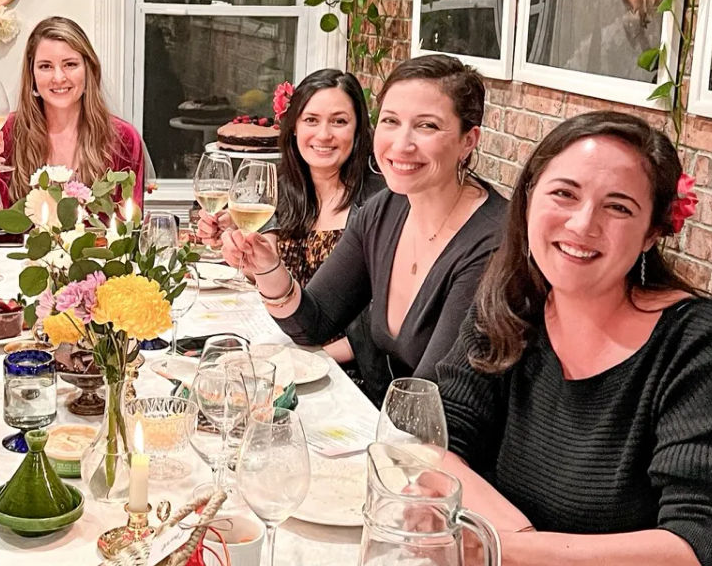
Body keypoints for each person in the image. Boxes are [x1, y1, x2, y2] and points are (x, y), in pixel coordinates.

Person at [435, 111, 712, 566]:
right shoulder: (514, 304)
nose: (583, 225)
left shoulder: (707, 344)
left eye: (618, 207)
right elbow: (429, 444)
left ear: (653, 233)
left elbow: (692, 558)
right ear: (528, 199)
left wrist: (501, 554)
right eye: (564, 194)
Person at [221, 54, 506, 404]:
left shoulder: (492, 241)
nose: (401, 144)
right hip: (385, 423)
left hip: (445, 445)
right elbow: (314, 323)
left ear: (468, 141)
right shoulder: (384, 210)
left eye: (427, 126)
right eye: (391, 121)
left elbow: (435, 395)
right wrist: (268, 267)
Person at [198, 69, 384, 366]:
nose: (324, 135)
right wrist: (238, 250)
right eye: (311, 120)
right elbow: (268, 270)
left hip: (348, 370)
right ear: (294, 126)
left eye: (339, 121)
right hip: (283, 343)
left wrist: (302, 359)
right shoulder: (284, 188)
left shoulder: (379, 203)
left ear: (358, 129)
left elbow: (375, 328)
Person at [0, 16, 145, 206]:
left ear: (88, 70)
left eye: (70, 64)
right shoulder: (7, 133)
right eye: (45, 66)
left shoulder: (124, 139)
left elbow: (130, 224)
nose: (59, 77)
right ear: (32, 75)